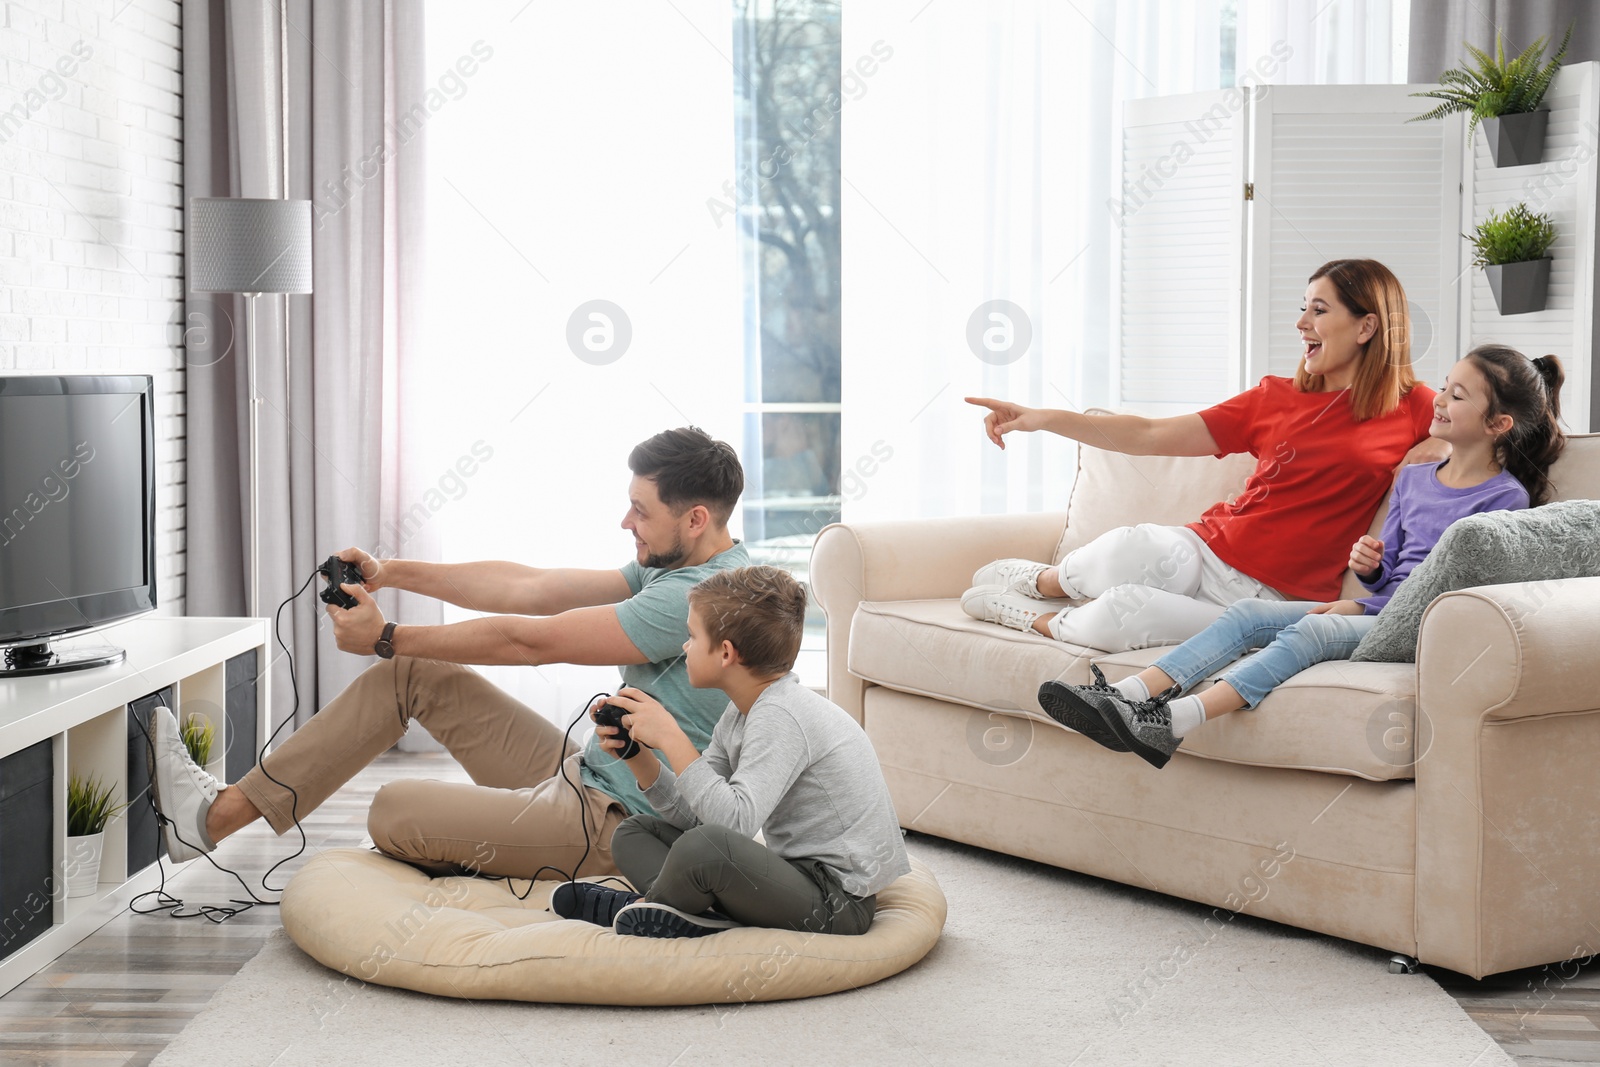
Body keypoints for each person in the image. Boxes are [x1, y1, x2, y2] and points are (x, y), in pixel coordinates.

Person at [147, 426, 750, 879]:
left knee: (392, 811)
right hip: (586, 776)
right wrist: (392, 574)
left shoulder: (700, 595)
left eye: (641, 511)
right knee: (414, 675)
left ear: (695, 519)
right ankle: (213, 819)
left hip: (620, 821)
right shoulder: (680, 569)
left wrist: (387, 638)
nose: (626, 522)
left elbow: (532, 641)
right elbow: (532, 589)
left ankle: (560, 862)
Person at [1040, 346, 1566, 768]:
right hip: (1379, 610)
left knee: (1311, 631)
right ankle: (1126, 696)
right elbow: (1396, 567)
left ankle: (1172, 722)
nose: (1440, 400)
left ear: (1498, 425)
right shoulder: (1413, 479)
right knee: (1245, 615)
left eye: (1458, 396)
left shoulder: (1505, 500)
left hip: (1417, 626)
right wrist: (1372, 565)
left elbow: (1454, 589)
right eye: (1445, 388)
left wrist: (1365, 607)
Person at [963, 258, 1444, 654]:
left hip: (1279, 597)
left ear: (1367, 326)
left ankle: (1032, 619)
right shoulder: (1274, 398)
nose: (1301, 323)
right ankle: (1043, 581)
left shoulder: (1415, 406)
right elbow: (1151, 434)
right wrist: (1043, 418)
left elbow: (1480, 432)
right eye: (1303, 308)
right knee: (1133, 549)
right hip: (1211, 549)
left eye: (1318, 310)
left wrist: (1431, 447)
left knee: (1122, 617)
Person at [548, 565, 911, 938]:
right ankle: (683, 911)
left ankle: (648, 908)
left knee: (704, 849)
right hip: (793, 877)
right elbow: (699, 817)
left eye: (691, 636)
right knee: (633, 832)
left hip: (838, 902)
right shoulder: (741, 711)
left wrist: (673, 738)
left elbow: (734, 825)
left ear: (725, 653)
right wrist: (639, 758)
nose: (684, 647)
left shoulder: (781, 716)